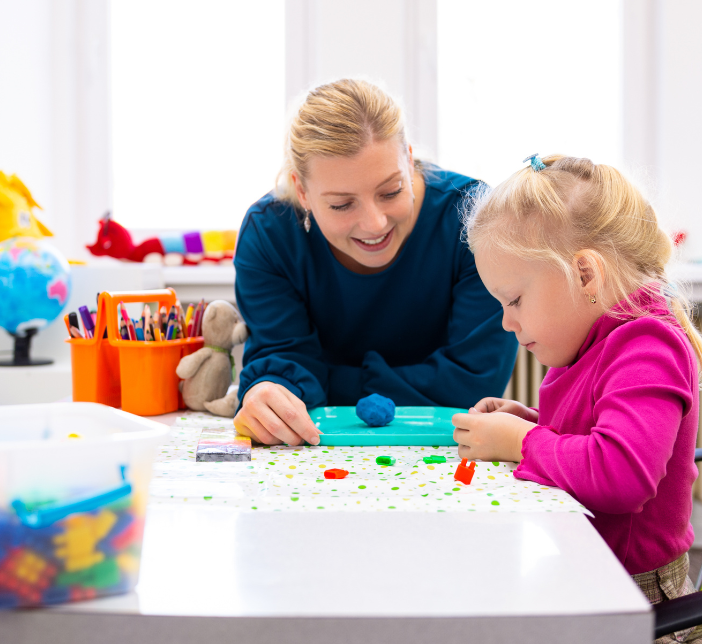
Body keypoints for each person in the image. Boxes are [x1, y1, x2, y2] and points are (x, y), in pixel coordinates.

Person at [455, 153, 702, 641]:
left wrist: (522, 442)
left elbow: (621, 474)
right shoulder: (597, 337)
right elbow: (594, 431)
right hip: (590, 580)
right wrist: (525, 419)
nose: (507, 322)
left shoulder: (647, 344)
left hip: (639, 606)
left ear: (585, 275)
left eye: (515, 300)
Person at [233, 79, 517, 446]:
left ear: (409, 160)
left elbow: (473, 383)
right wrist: (269, 394)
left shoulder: (475, 218)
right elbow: (281, 365)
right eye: (341, 204)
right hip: (319, 453)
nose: (375, 224)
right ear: (302, 191)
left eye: (391, 191)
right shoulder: (269, 234)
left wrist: (323, 382)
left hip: (450, 449)